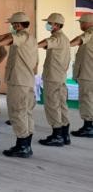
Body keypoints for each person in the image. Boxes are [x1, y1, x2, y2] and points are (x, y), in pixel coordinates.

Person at [0, 12, 38, 158]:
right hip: (26, 81)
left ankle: (22, 146)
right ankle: (26, 144)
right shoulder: (30, 38)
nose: (12, 26)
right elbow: (7, 37)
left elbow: (8, 39)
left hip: (19, 82)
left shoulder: (21, 36)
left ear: (18, 24)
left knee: (17, 112)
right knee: (26, 112)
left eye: (13, 24)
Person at [38, 13, 71, 146]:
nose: (47, 25)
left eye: (49, 23)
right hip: (60, 77)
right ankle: (64, 135)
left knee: (52, 105)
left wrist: (31, 45)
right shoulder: (65, 38)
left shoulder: (57, 38)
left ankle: (57, 135)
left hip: (53, 78)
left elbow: (46, 43)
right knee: (62, 105)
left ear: (56, 25)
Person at [70, 13, 93, 138]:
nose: (81, 24)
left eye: (82, 22)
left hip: (88, 74)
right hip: (88, 73)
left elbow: (80, 39)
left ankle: (88, 127)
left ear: (89, 23)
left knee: (86, 100)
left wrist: (66, 44)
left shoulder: (89, 33)